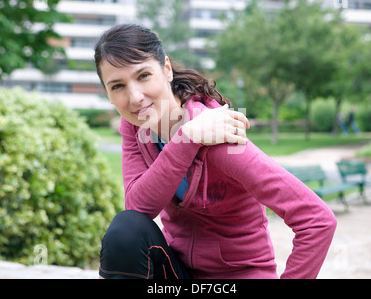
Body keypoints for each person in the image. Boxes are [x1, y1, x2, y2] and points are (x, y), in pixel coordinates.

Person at [94, 23, 337, 279]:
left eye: (143, 76)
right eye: (117, 86)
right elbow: (137, 210)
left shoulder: (220, 139)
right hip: (180, 275)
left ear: (166, 70)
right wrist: (186, 140)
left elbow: (317, 220)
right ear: (108, 94)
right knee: (125, 230)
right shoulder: (135, 125)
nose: (135, 98)